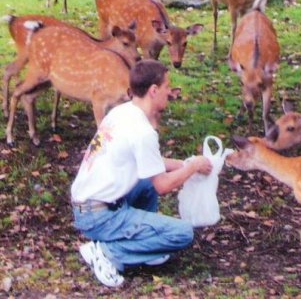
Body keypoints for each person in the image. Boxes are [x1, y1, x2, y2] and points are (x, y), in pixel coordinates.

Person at [71, 59, 212, 287]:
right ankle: (109, 251)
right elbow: (163, 185)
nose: (170, 92)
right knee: (183, 233)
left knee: (145, 183)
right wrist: (192, 167)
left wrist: (184, 163)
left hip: (86, 204)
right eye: (167, 86)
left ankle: (143, 245)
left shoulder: (122, 113)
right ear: (154, 90)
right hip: (99, 215)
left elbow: (150, 164)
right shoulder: (142, 131)